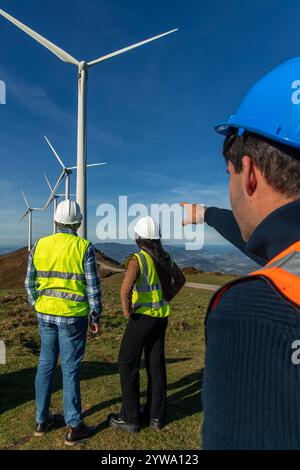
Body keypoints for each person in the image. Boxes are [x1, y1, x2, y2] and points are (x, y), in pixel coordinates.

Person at [183, 57, 300, 449]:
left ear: (248, 172)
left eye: (228, 174)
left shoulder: (252, 310)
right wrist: (207, 215)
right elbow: (275, 243)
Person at [25, 200, 102, 446]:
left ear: (56, 221)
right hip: (73, 316)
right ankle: (74, 426)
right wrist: (95, 315)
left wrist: (37, 304)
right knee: (70, 368)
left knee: (45, 364)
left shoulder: (39, 245)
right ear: (78, 223)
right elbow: (92, 286)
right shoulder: (83, 247)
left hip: (45, 315)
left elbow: (29, 282)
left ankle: (41, 420)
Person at [108, 216, 185, 433]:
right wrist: (167, 296)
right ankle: (156, 417)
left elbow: (125, 290)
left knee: (126, 363)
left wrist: (127, 313)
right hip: (161, 318)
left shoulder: (137, 259)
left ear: (139, 238)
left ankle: (130, 417)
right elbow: (181, 280)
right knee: (155, 365)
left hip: (141, 319)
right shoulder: (166, 257)